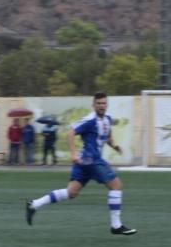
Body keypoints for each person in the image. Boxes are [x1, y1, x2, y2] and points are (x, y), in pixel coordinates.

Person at [26, 93, 136, 235]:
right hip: (92, 160)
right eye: (99, 103)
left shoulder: (108, 119)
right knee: (116, 185)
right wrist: (73, 154)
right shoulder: (89, 120)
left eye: (104, 103)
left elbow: (106, 137)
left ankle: (34, 204)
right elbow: (70, 134)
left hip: (84, 162)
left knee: (71, 192)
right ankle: (116, 226)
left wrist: (114, 146)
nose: (102, 106)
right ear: (93, 105)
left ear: (107, 105)